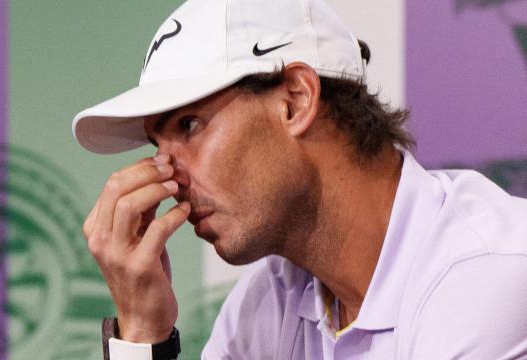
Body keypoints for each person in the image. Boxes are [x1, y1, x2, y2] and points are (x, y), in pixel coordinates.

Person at [72, 0, 527, 358]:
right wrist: (142, 334)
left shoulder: (487, 277)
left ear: (294, 100)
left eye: (189, 125)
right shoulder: (268, 304)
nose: (164, 173)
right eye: (157, 144)